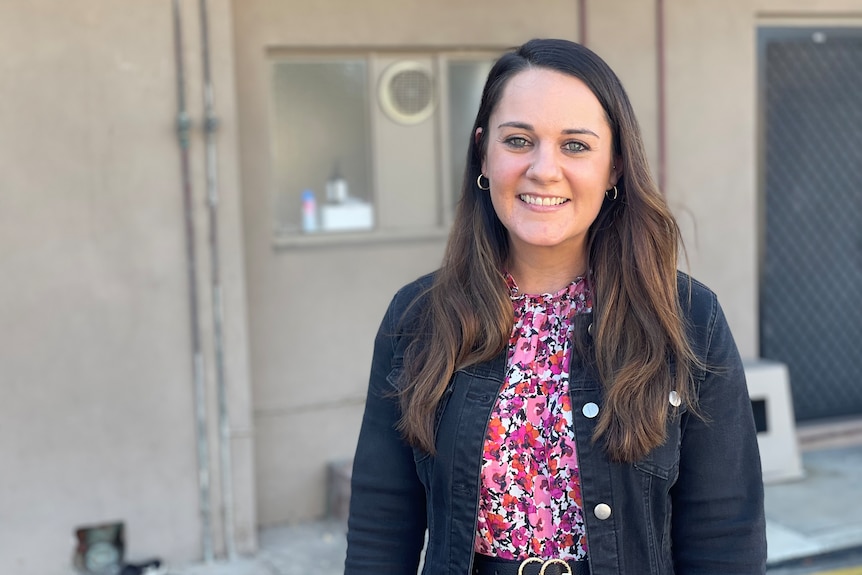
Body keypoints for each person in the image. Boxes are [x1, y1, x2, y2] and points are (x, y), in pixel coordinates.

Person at [344, 38, 766, 575]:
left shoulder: (686, 318)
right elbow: (382, 528)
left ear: (614, 166)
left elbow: (725, 535)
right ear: (483, 153)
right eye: (518, 140)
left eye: (575, 146)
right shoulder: (418, 318)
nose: (544, 169)